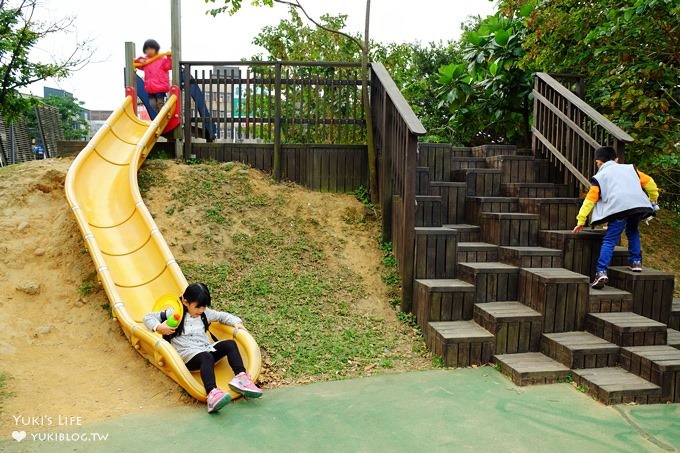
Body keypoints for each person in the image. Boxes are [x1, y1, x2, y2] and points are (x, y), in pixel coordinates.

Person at [143, 283, 262, 413]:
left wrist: (236, 322)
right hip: (187, 357)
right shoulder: (175, 313)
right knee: (207, 356)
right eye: (198, 307)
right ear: (185, 301)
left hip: (206, 348)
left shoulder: (204, 314)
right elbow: (148, 317)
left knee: (230, 344)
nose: (201, 310)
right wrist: (159, 327)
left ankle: (241, 377)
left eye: (204, 307)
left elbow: (222, 316)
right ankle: (212, 393)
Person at [572, 146, 659, 289]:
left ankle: (601, 272)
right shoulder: (631, 169)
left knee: (610, 240)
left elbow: (590, 200)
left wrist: (581, 220)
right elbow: (650, 183)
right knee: (633, 231)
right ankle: (636, 262)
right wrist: (653, 198)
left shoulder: (600, 177)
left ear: (598, 162)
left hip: (618, 209)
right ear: (616, 159)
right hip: (638, 206)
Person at [135, 39, 172, 114]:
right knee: (152, 104)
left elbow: (169, 65)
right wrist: (140, 60)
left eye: (151, 49)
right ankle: (161, 115)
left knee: (160, 103)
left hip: (160, 87)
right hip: (150, 88)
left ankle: (163, 114)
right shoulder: (146, 61)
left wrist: (168, 57)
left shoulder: (162, 60)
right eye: (147, 49)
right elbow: (137, 64)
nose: (149, 51)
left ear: (156, 49)